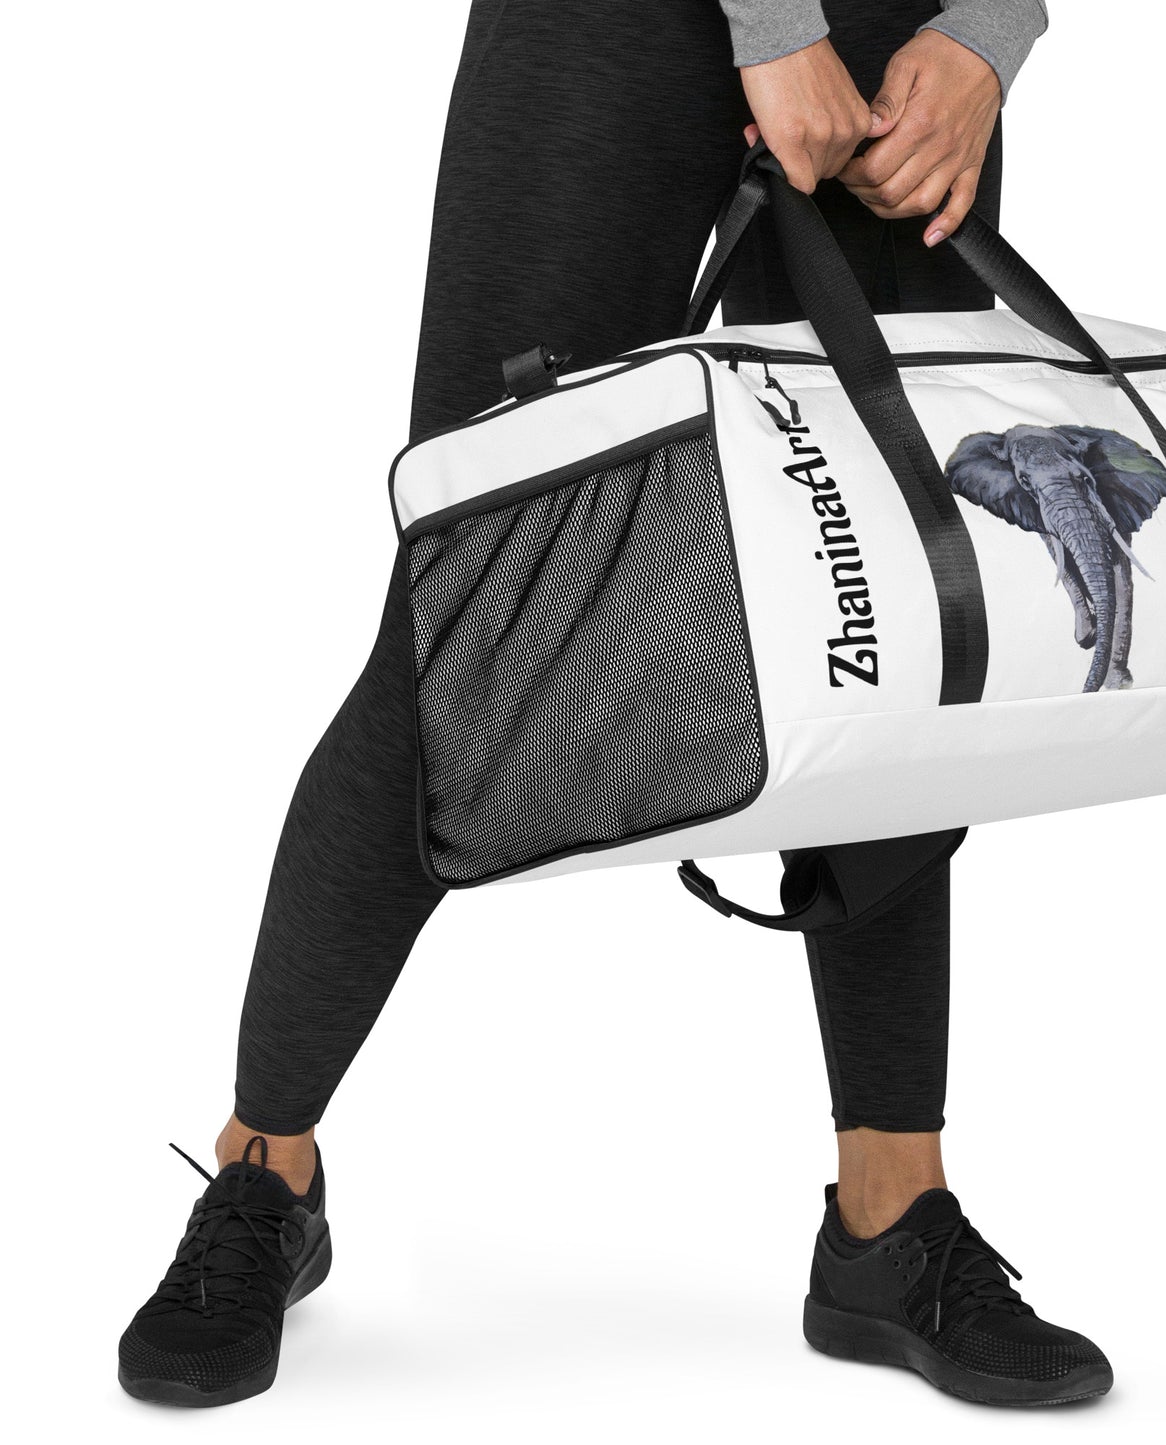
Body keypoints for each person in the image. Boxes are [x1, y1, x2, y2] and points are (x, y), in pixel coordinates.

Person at [118, 0, 1111, 1412]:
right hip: (614, 28)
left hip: (910, 48)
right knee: (474, 606)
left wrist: (990, 31)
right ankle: (264, 1170)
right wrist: (774, 22)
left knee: (893, 623)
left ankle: (890, 1218)